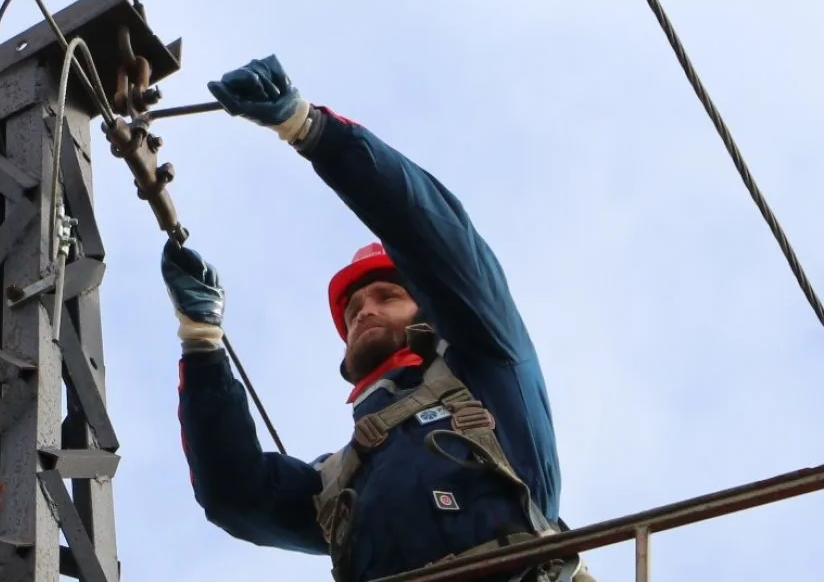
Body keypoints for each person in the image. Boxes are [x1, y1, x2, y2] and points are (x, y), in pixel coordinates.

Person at [160, 56, 594, 582]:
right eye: (351, 310)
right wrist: (203, 343)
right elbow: (235, 494)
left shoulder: (491, 366)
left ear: (428, 313)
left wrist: (312, 130)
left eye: (387, 295)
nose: (363, 310)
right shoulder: (341, 482)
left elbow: (434, 241)